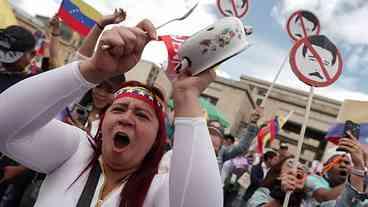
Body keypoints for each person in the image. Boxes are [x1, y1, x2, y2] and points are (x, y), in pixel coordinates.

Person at [0, 19, 222, 207]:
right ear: (103, 123)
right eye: (118, 109)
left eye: (142, 115)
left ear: (157, 138)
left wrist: (186, 97)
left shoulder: (160, 189)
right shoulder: (75, 151)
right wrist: (92, 70)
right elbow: (4, 125)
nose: (126, 118)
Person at [0, 25, 39, 207]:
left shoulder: (30, 84)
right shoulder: (29, 86)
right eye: (31, 54)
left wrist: (21, 169)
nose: (32, 59)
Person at [306, 132, 368, 206]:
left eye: (347, 162)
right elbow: (325, 197)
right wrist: (358, 172)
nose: (343, 165)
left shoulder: (358, 181)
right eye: (338, 161)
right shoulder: (311, 179)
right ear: (326, 166)